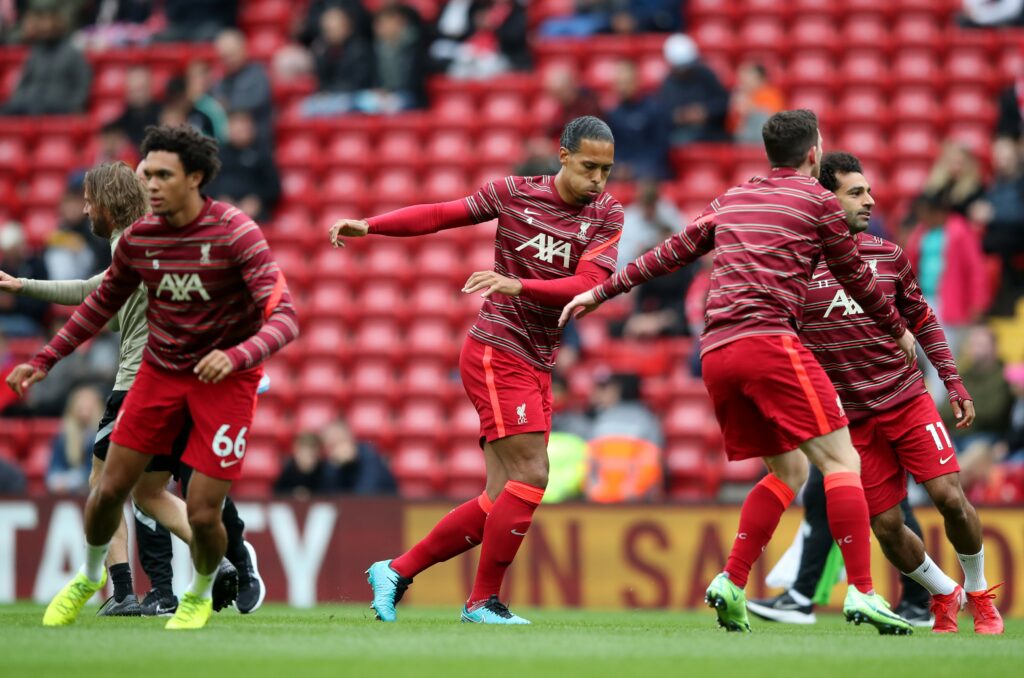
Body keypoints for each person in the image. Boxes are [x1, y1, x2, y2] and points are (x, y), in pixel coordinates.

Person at [561, 109, 916, 635]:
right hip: (769, 341)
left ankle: (731, 579)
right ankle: (863, 592)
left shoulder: (733, 198)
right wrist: (897, 327)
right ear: (814, 153)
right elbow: (858, 279)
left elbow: (671, 251)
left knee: (788, 472)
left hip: (716, 353)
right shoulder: (819, 200)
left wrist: (601, 290)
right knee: (844, 462)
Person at [330, 116, 622, 624]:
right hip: (496, 349)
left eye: (606, 170)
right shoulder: (514, 193)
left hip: (538, 359)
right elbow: (443, 214)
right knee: (533, 473)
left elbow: (588, 284)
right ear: (564, 155)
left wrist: (518, 286)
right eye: (589, 166)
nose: (598, 180)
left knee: (499, 495)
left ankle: (396, 571)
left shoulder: (607, 214)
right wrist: (371, 225)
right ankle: (482, 601)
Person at [6, 125, 298, 630]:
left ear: (195, 178)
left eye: (163, 175)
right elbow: (99, 303)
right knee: (114, 490)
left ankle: (199, 589)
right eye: (147, 175)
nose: (151, 185)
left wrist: (240, 356)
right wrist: (47, 357)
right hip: (158, 377)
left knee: (201, 510)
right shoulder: (141, 239)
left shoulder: (236, 232)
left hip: (221, 381)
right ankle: (92, 577)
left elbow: (286, 315)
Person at [749, 152, 1003, 634]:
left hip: (906, 400)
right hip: (850, 421)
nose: (871, 200)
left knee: (949, 496)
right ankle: (942, 593)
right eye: (856, 192)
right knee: (887, 527)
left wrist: (953, 381)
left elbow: (923, 320)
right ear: (827, 200)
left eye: (868, 190)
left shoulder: (887, 256)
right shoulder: (796, 270)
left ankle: (978, 592)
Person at [1, 0, 91, 115]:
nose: (46, 26)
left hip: (56, 106)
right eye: (42, 20)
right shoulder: (35, 53)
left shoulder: (73, 54)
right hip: (28, 103)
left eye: (50, 20)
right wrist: (19, 99)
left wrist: (73, 106)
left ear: (59, 23)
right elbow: (23, 84)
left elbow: (81, 86)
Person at [47, 385, 104, 495]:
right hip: (67, 493)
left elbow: (97, 472)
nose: (84, 412)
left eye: (88, 407)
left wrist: (71, 480)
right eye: (81, 407)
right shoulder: (63, 437)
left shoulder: (102, 437)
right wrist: (57, 481)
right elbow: (54, 469)